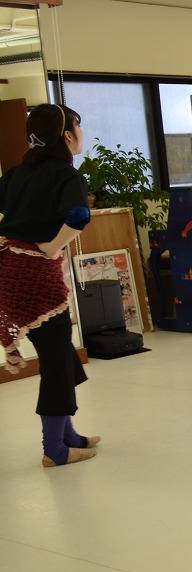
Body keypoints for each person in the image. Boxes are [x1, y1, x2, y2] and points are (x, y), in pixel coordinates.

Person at [0, 104, 99, 467]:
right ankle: (55, 448)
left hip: (9, 270)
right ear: (67, 136)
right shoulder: (66, 175)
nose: (81, 134)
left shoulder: (16, 173)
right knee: (57, 361)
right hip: (36, 278)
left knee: (61, 352)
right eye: (78, 127)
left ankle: (68, 435)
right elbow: (79, 215)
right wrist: (52, 247)